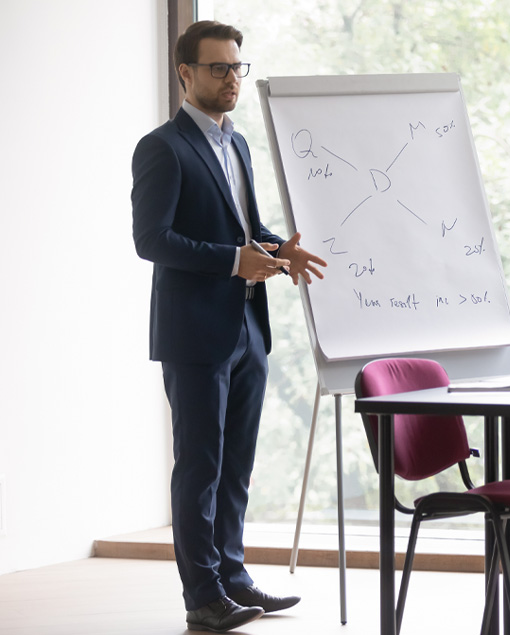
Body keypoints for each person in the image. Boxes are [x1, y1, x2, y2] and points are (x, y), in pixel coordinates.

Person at [131, 20, 328, 633]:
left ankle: (235, 578)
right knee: (200, 466)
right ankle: (203, 597)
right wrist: (231, 261)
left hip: (248, 325)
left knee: (236, 462)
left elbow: (246, 228)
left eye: (237, 68)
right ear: (185, 73)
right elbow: (151, 240)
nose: (231, 79)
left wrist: (278, 250)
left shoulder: (235, 143)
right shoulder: (162, 147)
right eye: (217, 68)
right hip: (194, 333)